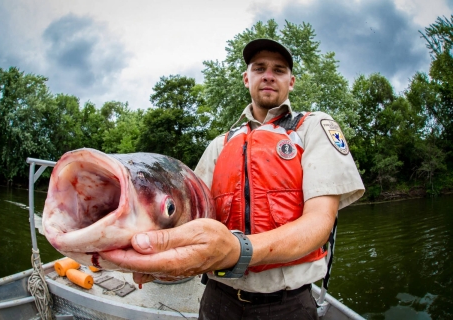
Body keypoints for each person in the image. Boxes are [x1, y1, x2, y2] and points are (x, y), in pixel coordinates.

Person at [101, 39, 365, 319]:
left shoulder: (314, 127)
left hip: (288, 305)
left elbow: (319, 223)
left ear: (291, 82)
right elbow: (189, 219)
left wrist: (239, 250)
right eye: (259, 68)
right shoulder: (219, 144)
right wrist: (154, 256)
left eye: (279, 70)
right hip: (218, 300)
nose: (268, 75)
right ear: (246, 78)